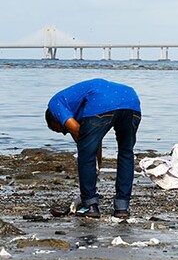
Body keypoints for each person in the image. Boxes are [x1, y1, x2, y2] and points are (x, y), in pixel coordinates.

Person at [45, 79, 141, 219]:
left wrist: (90, 158)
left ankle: (90, 205)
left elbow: (77, 131)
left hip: (102, 102)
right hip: (131, 100)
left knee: (84, 153)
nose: (65, 133)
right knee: (126, 152)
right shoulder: (75, 102)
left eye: (60, 130)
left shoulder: (55, 104)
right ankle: (122, 207)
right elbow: (96, 139)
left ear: (55, 119)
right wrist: (98, 164)